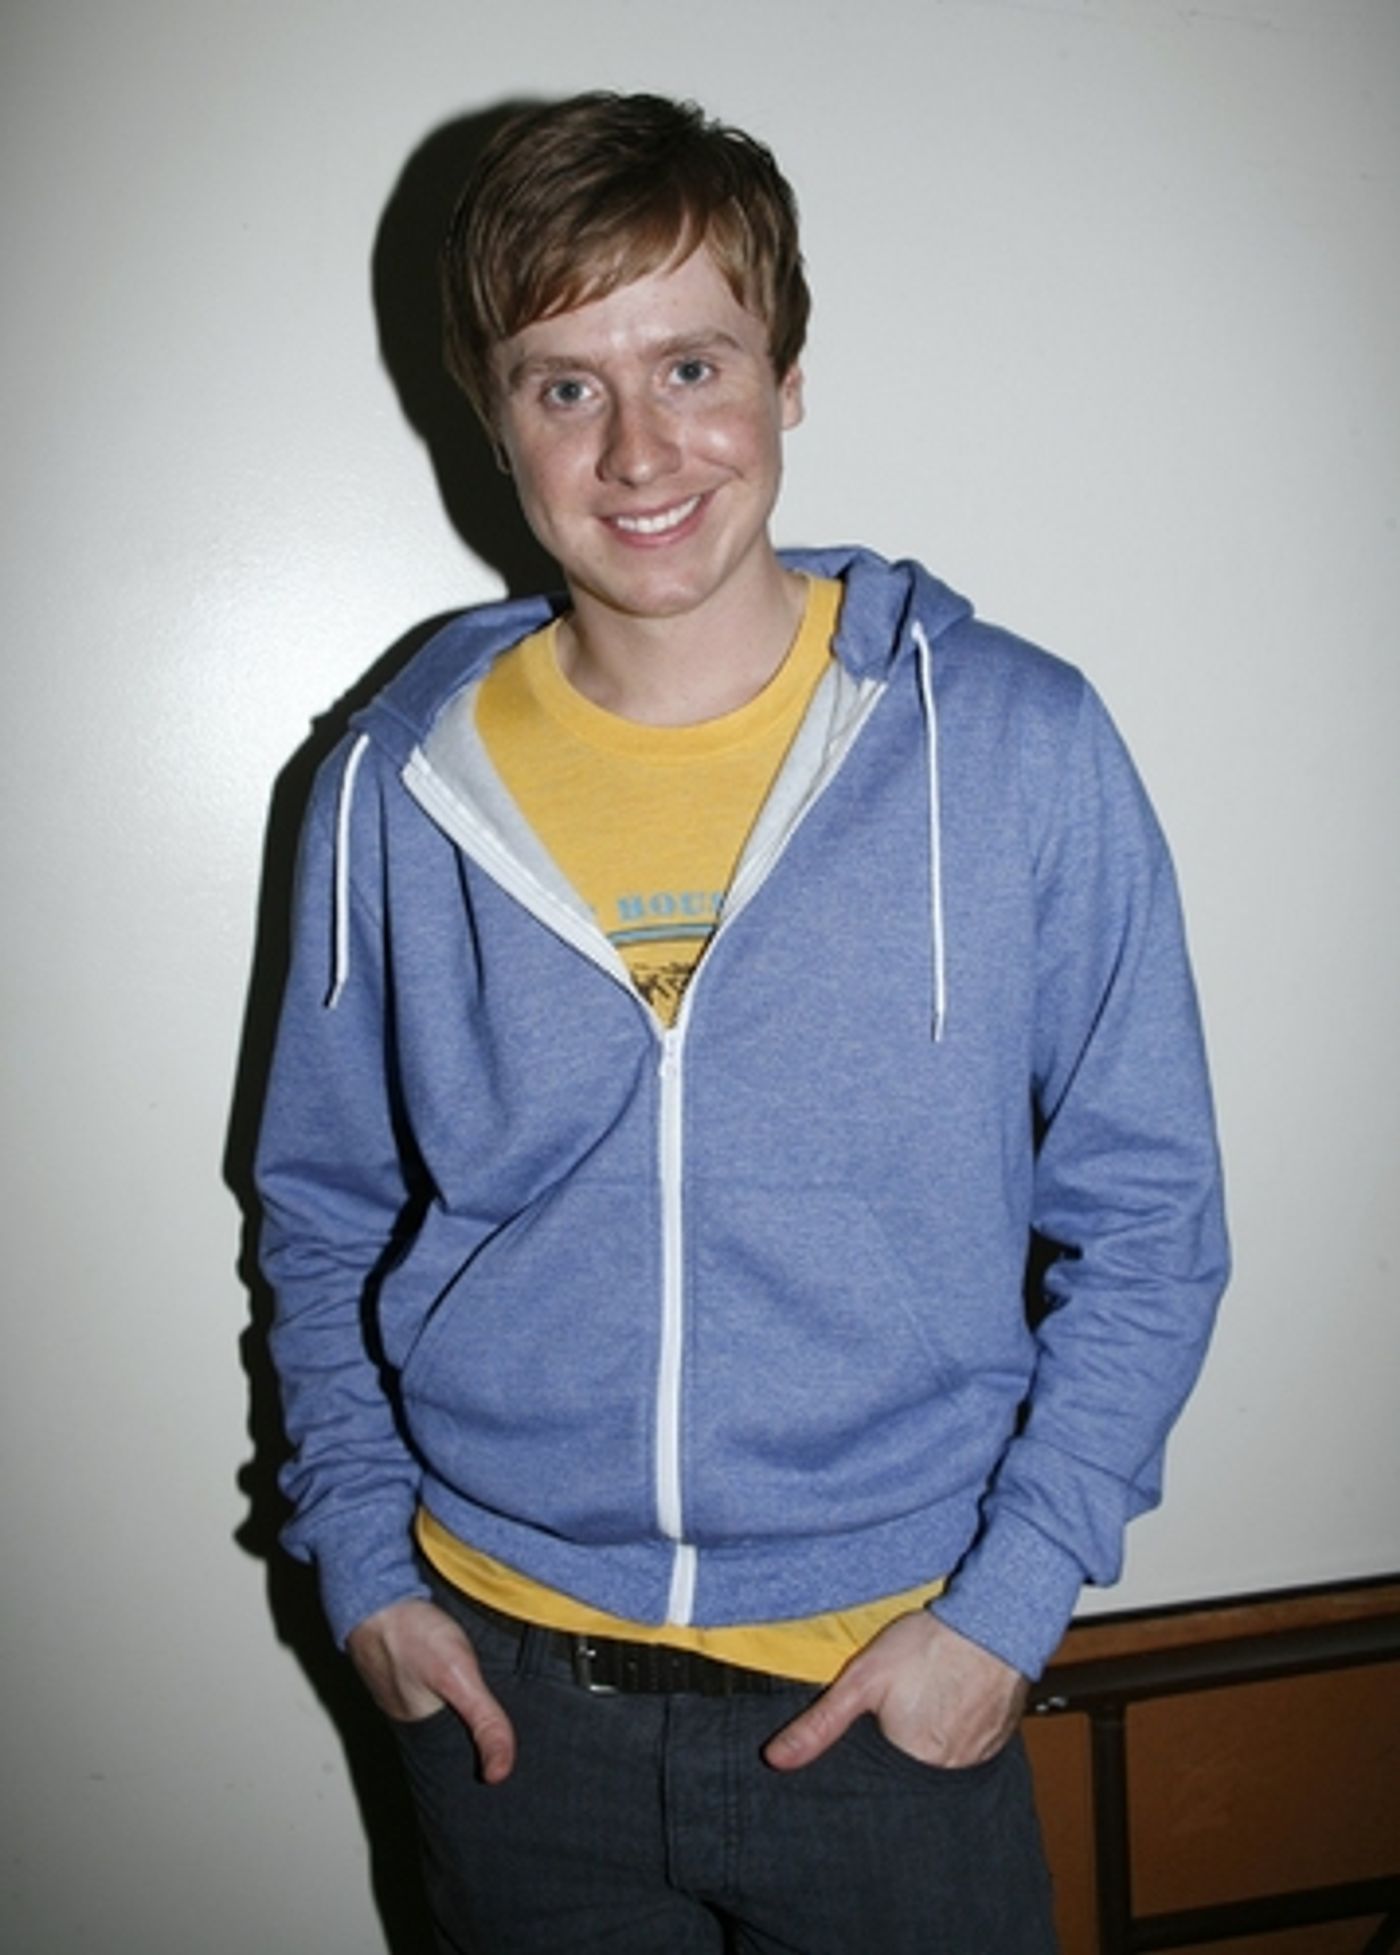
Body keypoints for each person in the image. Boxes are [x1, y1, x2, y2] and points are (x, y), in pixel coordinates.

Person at [256, 91, 1229, 1954]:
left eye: (691, 365)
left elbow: (1153, 1220)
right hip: (507, 1711)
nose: (638, 449)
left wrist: (1009, 1609)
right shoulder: (394, 783)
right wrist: (366, 1568)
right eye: (566, 385)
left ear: (787, 377)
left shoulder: (1011, 742)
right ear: (493, 416)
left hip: (889, 1696)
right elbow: (320, 1215)